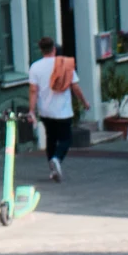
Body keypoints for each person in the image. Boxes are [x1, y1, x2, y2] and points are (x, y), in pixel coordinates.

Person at [27, 37, 85, 182]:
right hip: (63, 110)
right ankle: (57, 159)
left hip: (45, 110)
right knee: (66, 139)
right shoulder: (64, 64)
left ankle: (52, 169)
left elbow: (33, 90)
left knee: (51, 138)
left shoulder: (35, 67)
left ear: (41, 50)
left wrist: (31, 110)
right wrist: (84, 102)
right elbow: (75, 86)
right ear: (54, 48)